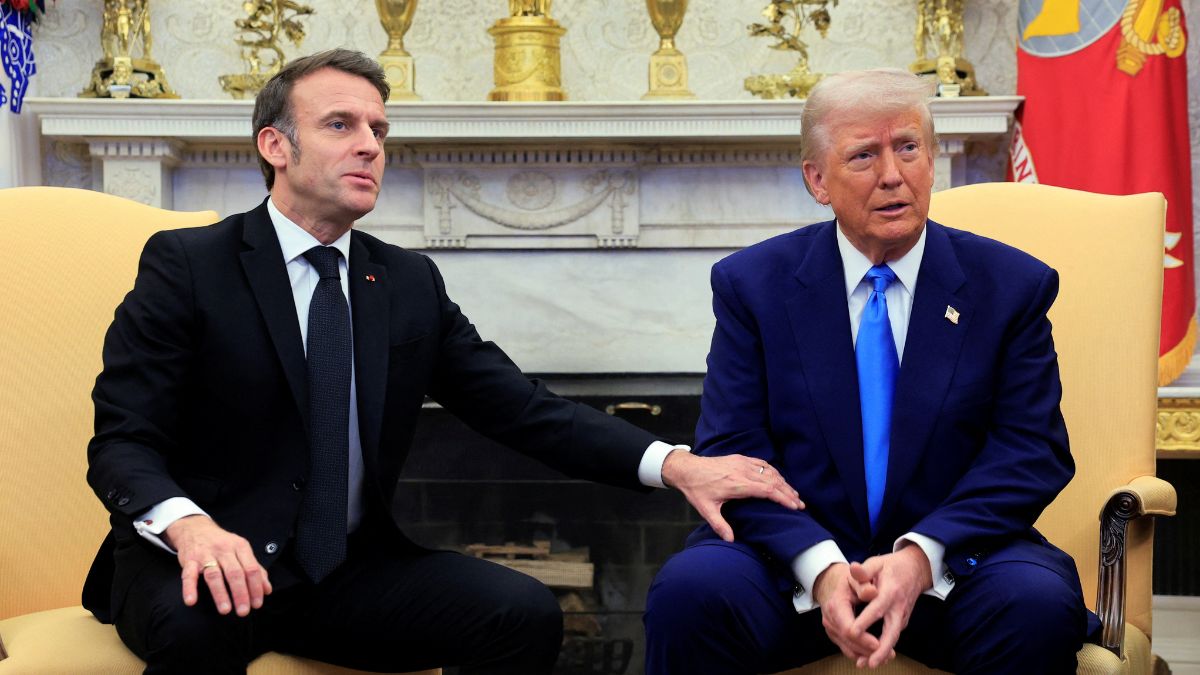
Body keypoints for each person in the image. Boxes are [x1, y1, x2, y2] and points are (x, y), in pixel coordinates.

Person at [83, 48, 801, 675]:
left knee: (521, 612)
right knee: (194, 633)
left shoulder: (404, 283)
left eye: (379, 130)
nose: (370, 145)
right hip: (200, 561)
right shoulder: (190, 265)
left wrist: (675, 462)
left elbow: (519, 407)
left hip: (343, 572)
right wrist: (190, 526)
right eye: (342, 125)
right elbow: (122, 440)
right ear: (276, 144)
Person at [644, 68, 1096, 674]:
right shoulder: (753, 286)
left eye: (908, 148)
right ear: (817, 180)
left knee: (1036, 603)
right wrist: (822, 567)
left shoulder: (1010, 287)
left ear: (932, 160)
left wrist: (920, 555)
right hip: (792, 571)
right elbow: (733, 451)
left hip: (957, 565)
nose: (892, 175)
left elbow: (1030, 449)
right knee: (690, 592)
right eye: (863, 156)